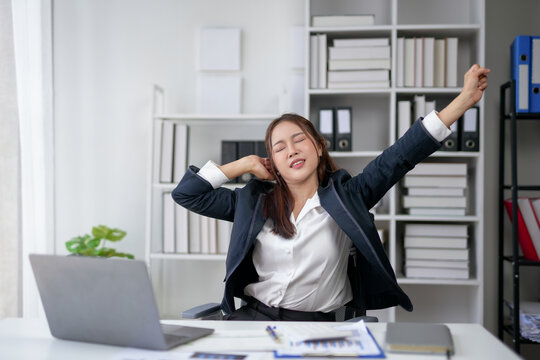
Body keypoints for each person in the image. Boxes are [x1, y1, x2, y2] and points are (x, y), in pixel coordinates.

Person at [172, 64, 490, 321]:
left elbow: (401, 155)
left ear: (319, 147)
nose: (292, 150)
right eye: (280, 148)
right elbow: (187, 194)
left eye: (300, 140)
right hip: (253, 320)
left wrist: (463, 100)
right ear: (274, 164)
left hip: (315, 331)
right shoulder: (254, 202)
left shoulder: (348, 196)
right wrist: (243, 164)